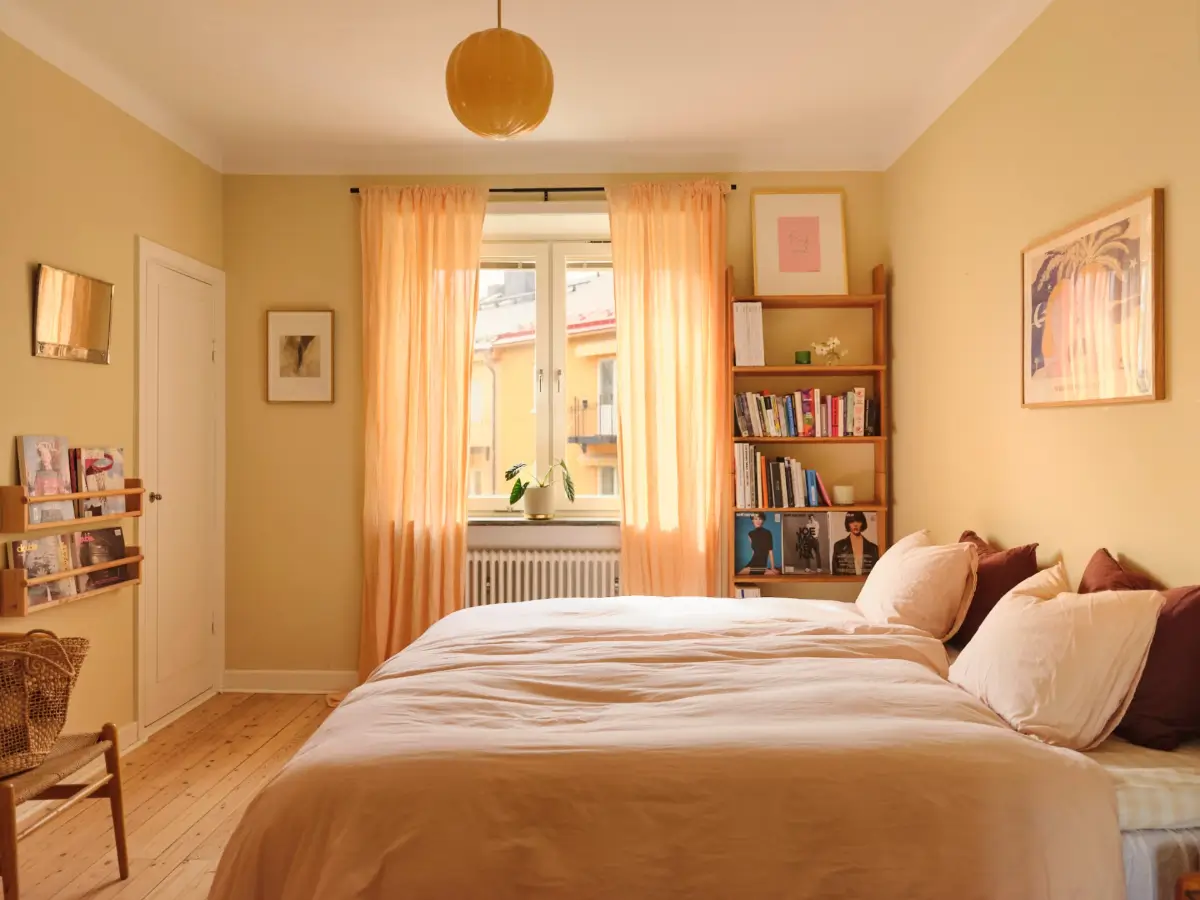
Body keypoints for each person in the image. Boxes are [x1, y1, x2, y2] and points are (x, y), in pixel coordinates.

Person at [832, 511, 879, 576]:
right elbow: (836, 574)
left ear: (862, 523)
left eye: (858, 521)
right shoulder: (838, 546)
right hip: (845, 585)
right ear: (848, 523)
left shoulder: (873, 548)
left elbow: (877, 574)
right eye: (852, 521)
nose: (855, 524)